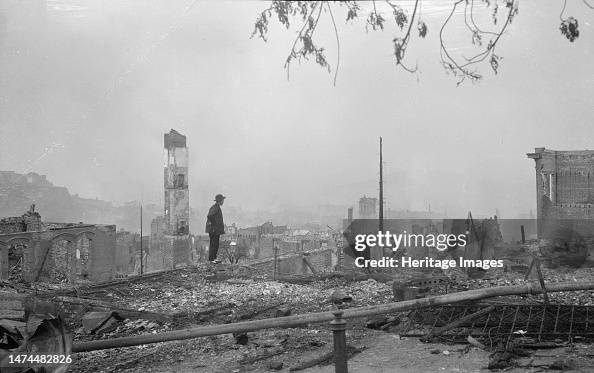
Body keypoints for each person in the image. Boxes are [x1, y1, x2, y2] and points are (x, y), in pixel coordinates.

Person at [206, 194, 226, 263]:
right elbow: (210, 216)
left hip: (214, 230)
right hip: (214, 230)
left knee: (215, 243)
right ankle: (212, 259)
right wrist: (214, 225)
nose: (223, 201)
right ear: (220, 201)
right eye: (223, 200)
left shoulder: (216, 207)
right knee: (214, 244)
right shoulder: (215, 208)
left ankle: (213, 258)